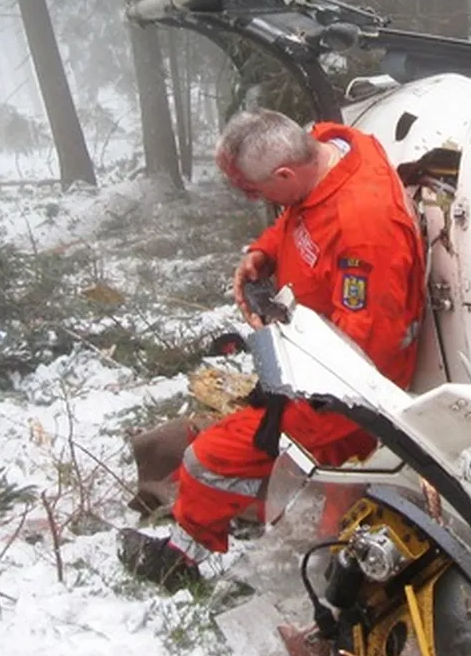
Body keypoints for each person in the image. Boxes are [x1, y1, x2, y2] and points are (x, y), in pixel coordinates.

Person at [117, 108, 428, 592]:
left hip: (344, 399)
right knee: (248, 446)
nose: (264, 202)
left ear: (284, 174)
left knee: (208, 459)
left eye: (263, 192)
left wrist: (293, 390)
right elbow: (299, 222)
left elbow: (365, 354)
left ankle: (180, 560)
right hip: (312, 366)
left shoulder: (365, 229)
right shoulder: (327, 148)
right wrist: (263, 252)